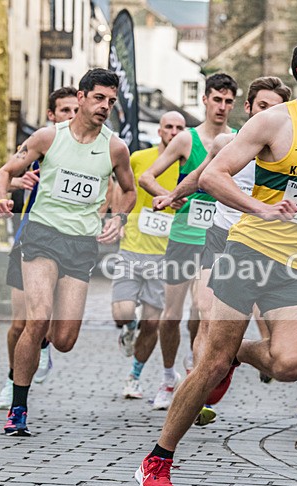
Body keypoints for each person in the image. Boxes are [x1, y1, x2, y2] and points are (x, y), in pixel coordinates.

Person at [134, 33, 297, 486]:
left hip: (296, 266)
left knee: (291, 364)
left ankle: (242, 352)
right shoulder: (273, 123)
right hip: (246, 256)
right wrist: (258, 208)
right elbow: (215, 175)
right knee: (210, 363)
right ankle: (158, 459)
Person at [0, 68, 136, 436]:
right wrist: (1, 197)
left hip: (81, 244)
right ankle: (18, 407)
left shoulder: (115, 147)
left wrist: (118, 218)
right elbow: (5, 170)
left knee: (65, 340)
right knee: (36, 318)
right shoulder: (48, 137)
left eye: (111, 102)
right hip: (41, 236)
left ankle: (36, 347)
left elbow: (129, 190)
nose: (106, 107)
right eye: (99, 98)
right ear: (82, 97)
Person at [152, 76, 293, 422]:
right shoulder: (227, 142)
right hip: (220, 237)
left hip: (262, 246)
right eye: (262, 106)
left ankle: (226, 360)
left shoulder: (290, 153)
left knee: (267, 343)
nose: (268, 113)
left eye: (276, 108)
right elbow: (201, 174)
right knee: (205, 312)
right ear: (248, 108)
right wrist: (173, 196)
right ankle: (198, 391)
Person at [133, 73, 237, 397]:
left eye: (228, 101)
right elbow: (146, 177)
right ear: (205, 99)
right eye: (216, 99)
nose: (221, 107)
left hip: (218, 236)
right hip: (184, 235)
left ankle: (195, 376)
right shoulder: (185, 140)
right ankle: (167, 377)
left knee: (202, 311)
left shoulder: (238, 140)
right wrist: (169, 194)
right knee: (172, 314)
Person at [0, 87, 79, 410]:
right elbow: (5, 174)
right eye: (64, 110)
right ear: (52, 115)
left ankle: (43, 346)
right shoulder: (43, 143)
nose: (71, 116)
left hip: (70, 245)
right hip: (30, 240)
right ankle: (12, 377)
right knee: (20, 324)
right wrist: (12, 188)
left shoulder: (93, 150)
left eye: (75, 109)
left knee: (51, 326)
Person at [112, 111, 186, 407]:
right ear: (159, 131)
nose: (173, 131)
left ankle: (135, 375)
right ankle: (128, 329)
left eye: (179, 128)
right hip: (133, 244)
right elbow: (122, 188)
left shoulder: (190, 166)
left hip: (166, 254)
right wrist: (117, 220)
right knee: (123, 312)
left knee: (153, 324)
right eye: (168, 126)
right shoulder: (140, 159)